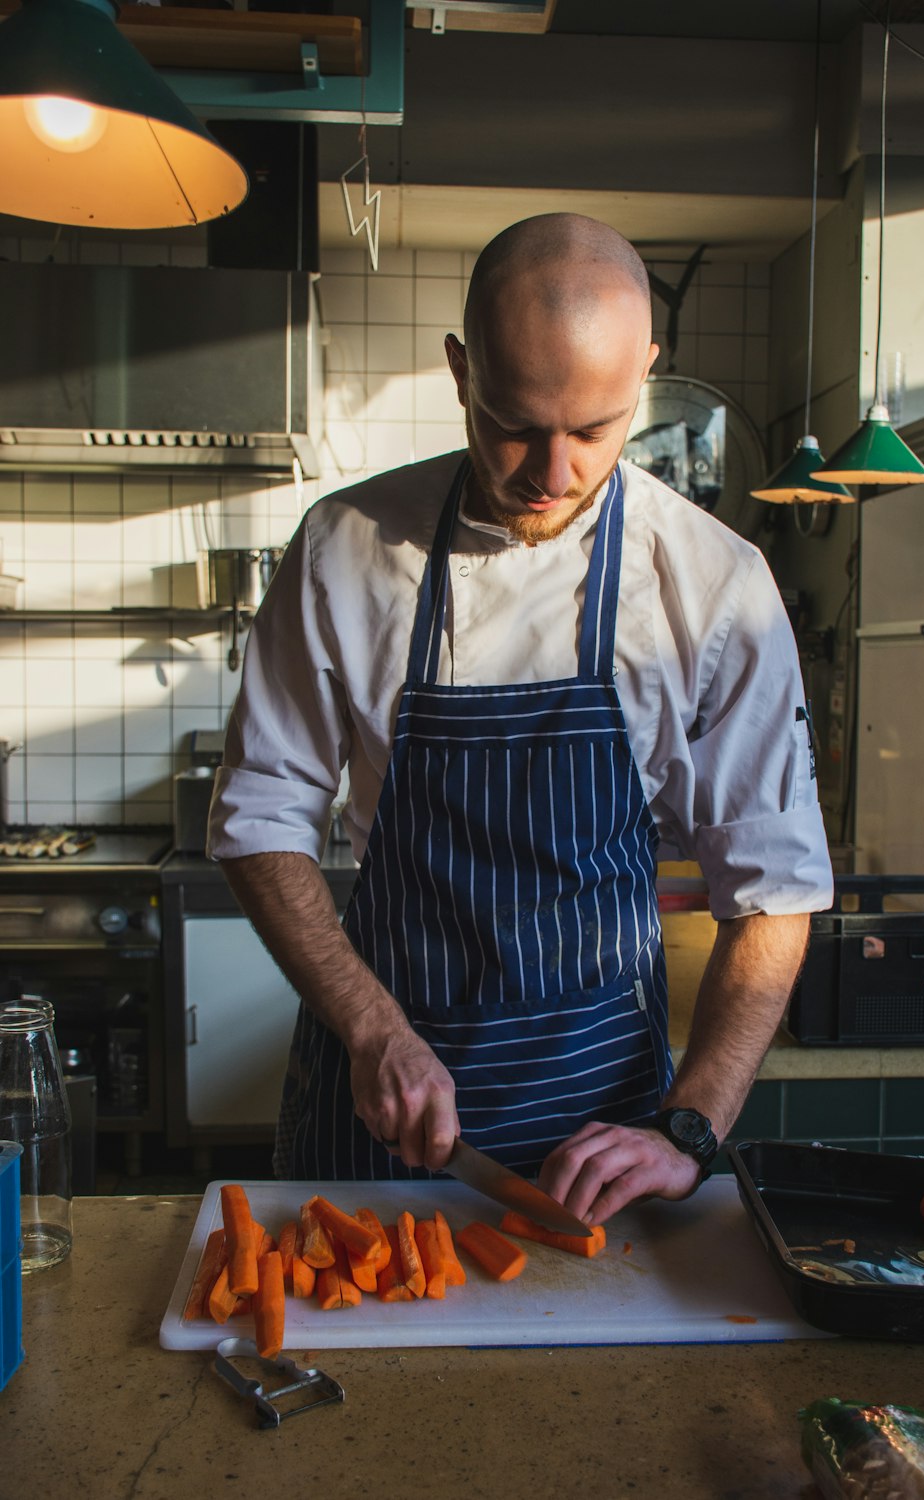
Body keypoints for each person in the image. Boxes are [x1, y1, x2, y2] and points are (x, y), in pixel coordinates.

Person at [208, 212, 833, 1226]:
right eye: (513, 422)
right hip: (380, 1107)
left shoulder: (715, 585)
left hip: (605, 1132)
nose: (551, 472)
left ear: (646, 372)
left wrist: (687, 1128)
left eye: (593, 429)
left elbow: (776, 891)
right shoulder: (344, 551)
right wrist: (371, 1028)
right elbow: (256, 821)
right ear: (461, 370)